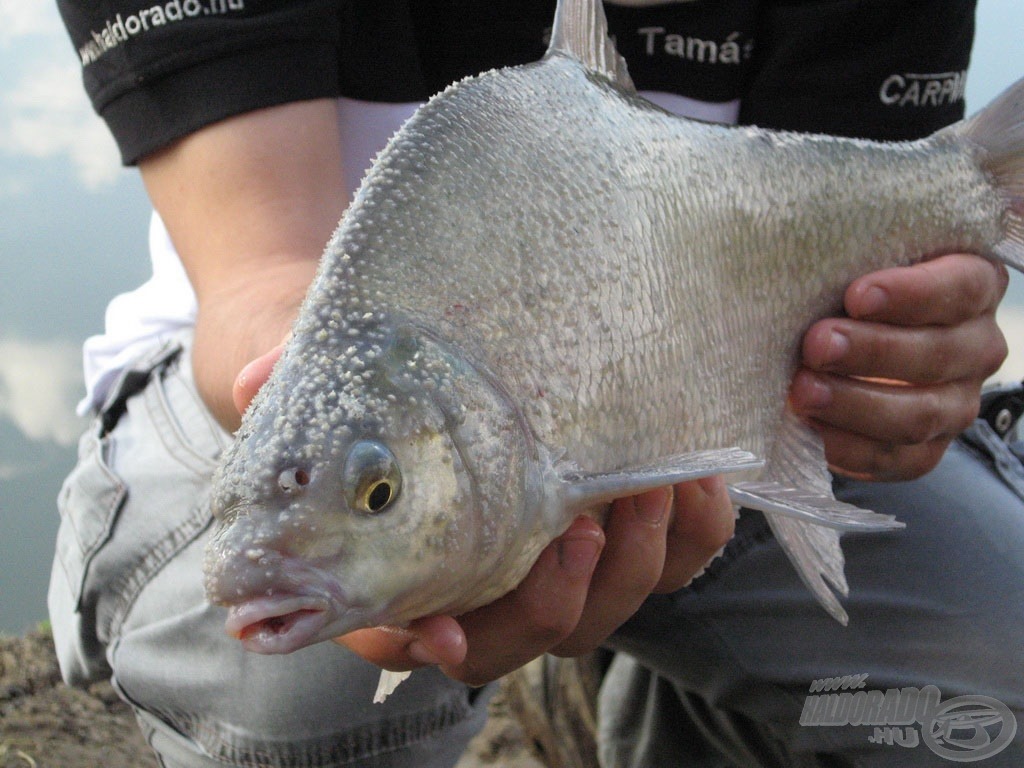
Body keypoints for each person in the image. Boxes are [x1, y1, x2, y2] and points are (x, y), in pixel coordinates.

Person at [48, 1, 1022, 766]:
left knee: (993, 674)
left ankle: (657, 707)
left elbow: (822, 233)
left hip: (712, 410)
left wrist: (906, 348)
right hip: (247, 379)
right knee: (302, 695)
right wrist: (353, 487)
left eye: (380, 493)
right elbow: (260, 276)